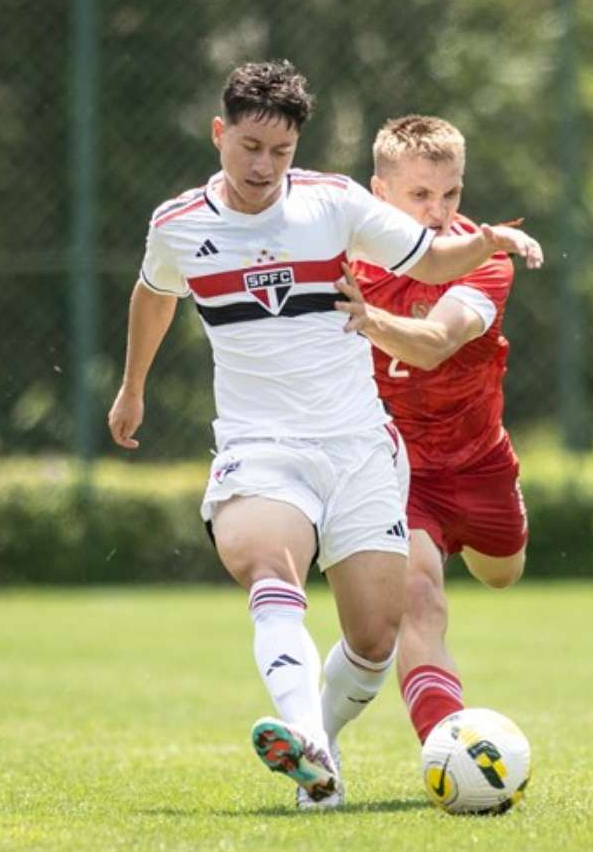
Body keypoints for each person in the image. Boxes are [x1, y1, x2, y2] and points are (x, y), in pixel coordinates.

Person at [105, 62, 543, 809]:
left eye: (278, 152)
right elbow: (154, 294)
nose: (261, 167)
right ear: (220, 134)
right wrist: (132, 387)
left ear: (297, 146)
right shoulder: (179, 224)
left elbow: (435, 260)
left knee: (376, 637)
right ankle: (307, 742)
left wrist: (489, 241)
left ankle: (323, 744)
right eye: (248, 147)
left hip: (360, 448)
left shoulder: (333, 203)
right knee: (270, 566)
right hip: (260, 447)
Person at [332, 115, 530, 752]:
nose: (439, 212)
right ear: (379, 192)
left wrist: (367, 320)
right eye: (420, 195)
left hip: (480, 462)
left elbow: (435, 345)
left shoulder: (483, 259)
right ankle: (448, 745)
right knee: (419, 601)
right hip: (398, 468)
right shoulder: (342, 254)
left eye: (450, 193)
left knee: (503, 573)